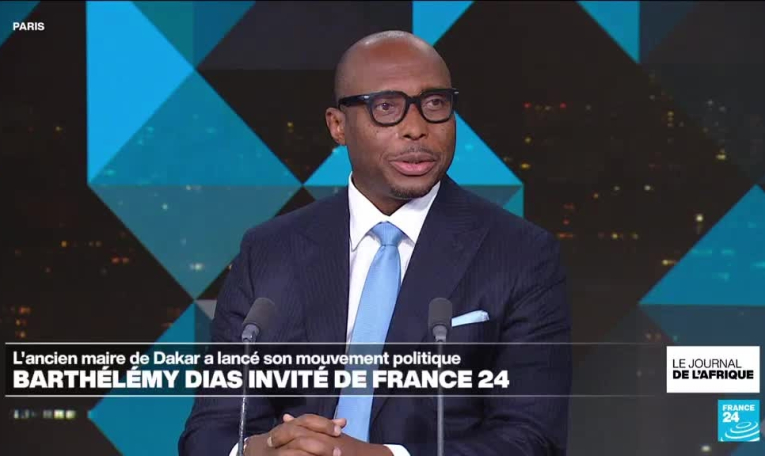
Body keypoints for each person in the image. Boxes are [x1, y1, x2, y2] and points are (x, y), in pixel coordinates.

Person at [179, 30, 571, 456]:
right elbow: (211, 430)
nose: (417, 128)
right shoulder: (269, 251)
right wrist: (262, 450)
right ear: (338, 126)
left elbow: (532, 439)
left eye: (435, 104)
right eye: (386, 107)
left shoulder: (521, 254)